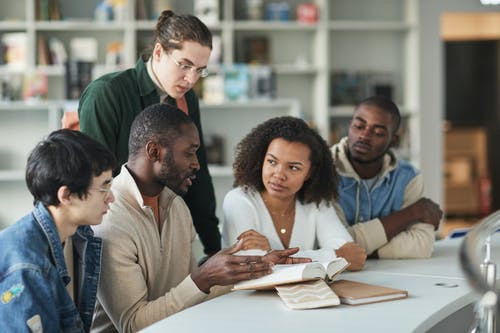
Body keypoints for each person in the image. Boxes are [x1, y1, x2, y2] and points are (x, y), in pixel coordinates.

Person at [91, 104, 309, 332]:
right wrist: (203, 277)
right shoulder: (108, 217)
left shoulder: (177, 207)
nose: (196, 163)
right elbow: (133, 325)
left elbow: (189, 295)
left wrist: (255, 269)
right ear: (154, 152)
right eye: (189, 153)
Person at [78, 10, 220, 257]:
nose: (191, 79)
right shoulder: (107, 93)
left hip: (167, 227)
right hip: (115, 230)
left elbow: (199, 173)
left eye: (200, 70)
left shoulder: (187, 100)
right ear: (157, 52)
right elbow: (95, 181)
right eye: (184, 65)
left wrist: (214, 247)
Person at [0, 130, 116, 332]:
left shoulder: (81, 235)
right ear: (66, 195)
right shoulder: (26, 268)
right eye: (103, 188)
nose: (111, 197)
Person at [222, 116, 366, 270]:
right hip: (243, 295)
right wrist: (333, 255)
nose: (279, 175)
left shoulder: (315, 202)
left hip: (305, 294)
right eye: (272, 161)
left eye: (293, 167)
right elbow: (254, 268)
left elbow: (354, 257)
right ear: (261, 159)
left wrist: (272, 254)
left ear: (309, 173)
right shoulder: (238, 200)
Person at [331, 96, 443, 259]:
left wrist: (356, 251)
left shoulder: (408, 178)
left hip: (392, 276)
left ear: (393, 140)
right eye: (359, 126)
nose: (364, 135)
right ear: (349, 127)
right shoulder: (323, 170)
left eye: (378, 132)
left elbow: (422, 245)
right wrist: (411, 213)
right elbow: (336, 244)